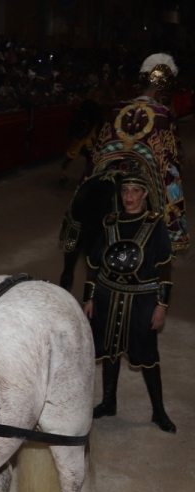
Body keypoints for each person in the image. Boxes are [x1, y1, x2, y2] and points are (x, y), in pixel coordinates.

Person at [82, 172, 176, 433]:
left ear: (145, 194)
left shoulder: (155, 224)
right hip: (106, 295)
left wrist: (162, 305)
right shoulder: (110, 222)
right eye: (125, 191)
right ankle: (108, 402)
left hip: (142, 298)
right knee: (110, 349)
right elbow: (94, 264)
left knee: (147, 355)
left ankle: (159, 412)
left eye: (135, 191)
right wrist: (88, 298)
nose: (129, 197)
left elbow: (164, 268)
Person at [85, 53, 187, 254]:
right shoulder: (162, 112)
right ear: (162, 87)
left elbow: (102, 144)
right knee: (172, 175)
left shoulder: (118, 107)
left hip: (112, 164)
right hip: (144, 171)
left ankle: (77, 220)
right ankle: (173, 232)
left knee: (91, 176)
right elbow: (168, 152)